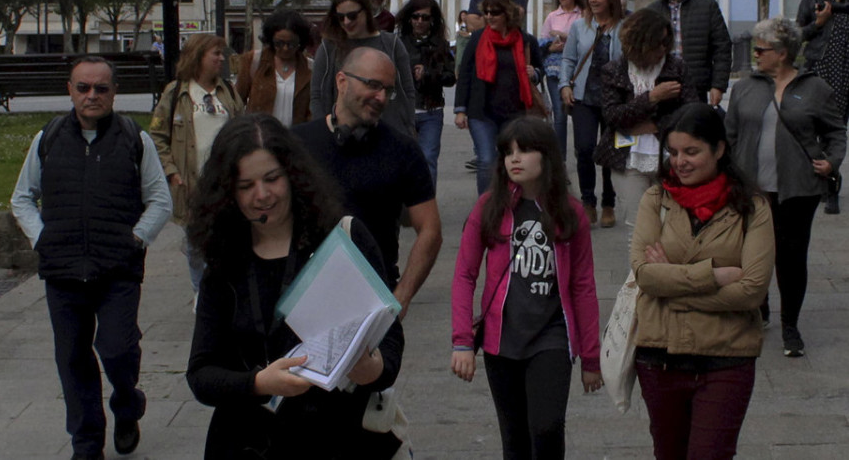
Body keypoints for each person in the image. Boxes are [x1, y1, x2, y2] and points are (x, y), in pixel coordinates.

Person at [186, 114, 405, 459]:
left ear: (293, 175)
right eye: (246, 186)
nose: (262, 195)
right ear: (227, 192)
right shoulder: (224, 259)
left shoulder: (341, 236)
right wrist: (258, 384)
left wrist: (371, 368)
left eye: (272, 179)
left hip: (340, 437)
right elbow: (201, 374)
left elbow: (390, 339)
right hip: (250, 441)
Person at [11, 57, 173, 460]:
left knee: (117, 349)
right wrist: (42, 239)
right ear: (70, 90)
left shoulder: (135, 139)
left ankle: (127, 405)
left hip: (117, 269)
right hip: (63, 271)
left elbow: (160, 200)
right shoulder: (47, 139)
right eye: (83, 88)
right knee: (73, 360)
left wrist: (136, 239)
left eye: (101, 88)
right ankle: (86, 443)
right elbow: (22, 198)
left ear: (114, 93)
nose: (92, 96)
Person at [450, 118, 602, 459]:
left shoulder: (570, 212)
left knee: (546, 427)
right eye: (507, 152)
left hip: (551, 336)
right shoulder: (490, 206)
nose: (514, 159)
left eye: (525, 150)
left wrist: (591, 355)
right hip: (500, 340)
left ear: (547, 156)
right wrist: (462, 341)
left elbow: (583, 287)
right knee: (515, 437)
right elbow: (463, 275)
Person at [631, 102, 775, 460]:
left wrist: (672, 288)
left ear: (720, 149)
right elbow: (645, 275)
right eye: (674, 152)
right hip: (659, 356)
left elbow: (751, 291)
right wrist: (712, 276)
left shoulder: (752, 208)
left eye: (692, 152)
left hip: (726, 358)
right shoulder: (656, 199)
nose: (680, 162)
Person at [724, 18, 846, 356]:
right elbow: (730, 135)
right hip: (751, 187)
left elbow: (836, 132)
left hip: (798, 188)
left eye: (761, 50)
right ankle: (758, 308)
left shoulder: (815, 88)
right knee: (752, 253)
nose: (755, 55)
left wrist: (832, 162)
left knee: (791, 258)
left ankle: (790, 325)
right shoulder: (745, 88)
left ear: (782, 53)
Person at [295, 47, 442, 319]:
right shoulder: (297, 144)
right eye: (373, 85)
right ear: (341, 81)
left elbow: (430, 229)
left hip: (376, 302)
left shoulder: (403, 150)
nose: (381, 97)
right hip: (305, 299)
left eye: (388, 90)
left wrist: (401, 297)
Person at [150, 34, 245, 309]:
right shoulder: (176, 92)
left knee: (226, 239)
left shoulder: (228, 91)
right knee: (196, 243)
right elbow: (157, 136)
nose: (221, 59)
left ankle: (224, 291)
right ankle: (200, 294)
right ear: (198, 56)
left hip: (225, 183)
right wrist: (171, 172)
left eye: (222, 54)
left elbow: (242, 129)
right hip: (190, 184)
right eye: (215, 53)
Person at [598, 8, 698, 242]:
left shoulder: (677, 68)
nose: (664, 48)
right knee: (639, 231)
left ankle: (666, 277)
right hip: (627, 159)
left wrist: (652, 124)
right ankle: (642, 277)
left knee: (672, 229)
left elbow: (692, 114)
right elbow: (613, 116)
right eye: (658, 43)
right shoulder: (614, 71)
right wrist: (652, 97)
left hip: (671, 158)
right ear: (640, 43)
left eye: (667, 41)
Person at [454, 0, 544, 195]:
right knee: (486, 160)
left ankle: (511, 203)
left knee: (512, 161)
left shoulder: (522, 39)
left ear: (506, 14)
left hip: (514, 112)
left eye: (494, 12)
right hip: (482, 112)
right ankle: (486, 209)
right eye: (486, 12)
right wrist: (460, 110)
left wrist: (535, 73)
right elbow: (465, 73)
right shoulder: (478, 39)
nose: (489, 16)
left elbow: (539, 67)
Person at [559, 0, 624, 228]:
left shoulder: (624, 26)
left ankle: (609, 203)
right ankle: (588, 201)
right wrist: (565, 85)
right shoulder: (579, 27)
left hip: (614, 99)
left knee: (611, 152)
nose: (593, 0)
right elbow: (568, 59)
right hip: (584, 96)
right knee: (585, 149)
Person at [311, 0, 416, 137]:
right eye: (340, 17)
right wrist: (323, 133)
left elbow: (407, 91)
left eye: (352, 15)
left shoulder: (391, 44)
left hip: (389, 134)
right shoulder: (329, 48)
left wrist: (409, 126)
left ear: (366, 12)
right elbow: (317, 96)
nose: (346, 22)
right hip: (342, 135)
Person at [796, 0, 849, 215]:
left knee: (836, 132)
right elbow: (797, 35)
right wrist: (819, 23)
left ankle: (831, 188)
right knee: (813, 129)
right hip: (819, 71)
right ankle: (818, 180)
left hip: (845, 74)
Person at [648, 0, 732, 107]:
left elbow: (722, 48)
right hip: (662, 92)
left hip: (696, 91)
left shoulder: (707, 7)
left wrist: (718, 85)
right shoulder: (652, 12)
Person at [396, 0, 457, 185]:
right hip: (404, 111)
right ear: (409, 18)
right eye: (415, 17)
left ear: (432, 20)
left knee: (428, 159)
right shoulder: (398, 43)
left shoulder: (440, 45)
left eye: (425, 17)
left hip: (431, 110)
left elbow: (450, 78)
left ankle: (426, 207)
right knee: (403, 161)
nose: (420, 21)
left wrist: (429, 74)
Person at [235, 9, 314, 127]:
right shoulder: (254, 61)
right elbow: (237, 103)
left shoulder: (310, 68)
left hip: (295, 139)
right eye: (279, 43)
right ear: (271, 40)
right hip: (260, 137)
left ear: (300, 42)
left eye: (292, 44)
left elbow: (312, 111)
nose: (285, 48)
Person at [539, 0, 585, 160]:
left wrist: (565, 37)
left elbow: (587, 40)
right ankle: (560, 161)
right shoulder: (552, 16)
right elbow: (542, 43)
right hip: (554, 70)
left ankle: (581, 151)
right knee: (559, 115)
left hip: (578, 71)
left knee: (579, 114)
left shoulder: (582, 14)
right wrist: (550, 46)